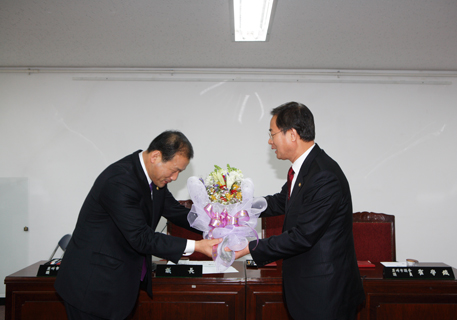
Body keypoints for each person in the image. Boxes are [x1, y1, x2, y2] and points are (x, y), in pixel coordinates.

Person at [55, 130, 221, 320]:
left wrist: (216, 225)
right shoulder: (120, 180)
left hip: (117, 282)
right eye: (174, 170)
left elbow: (176, 212)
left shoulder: (154, 180)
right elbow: (141, 237)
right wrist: (197, 246)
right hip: (92, 286)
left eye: (179, 172)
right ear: (155, 156)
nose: (175, 178)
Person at [232, 102, 365, 319]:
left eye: (272, 133)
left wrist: (248, 248)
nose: (269, 141)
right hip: (309, 290)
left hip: (326, 294)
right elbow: (280, 202)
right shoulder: (304, 169)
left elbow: (303, 236)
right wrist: (240, 209)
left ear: (292, 134)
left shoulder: (323, 176)